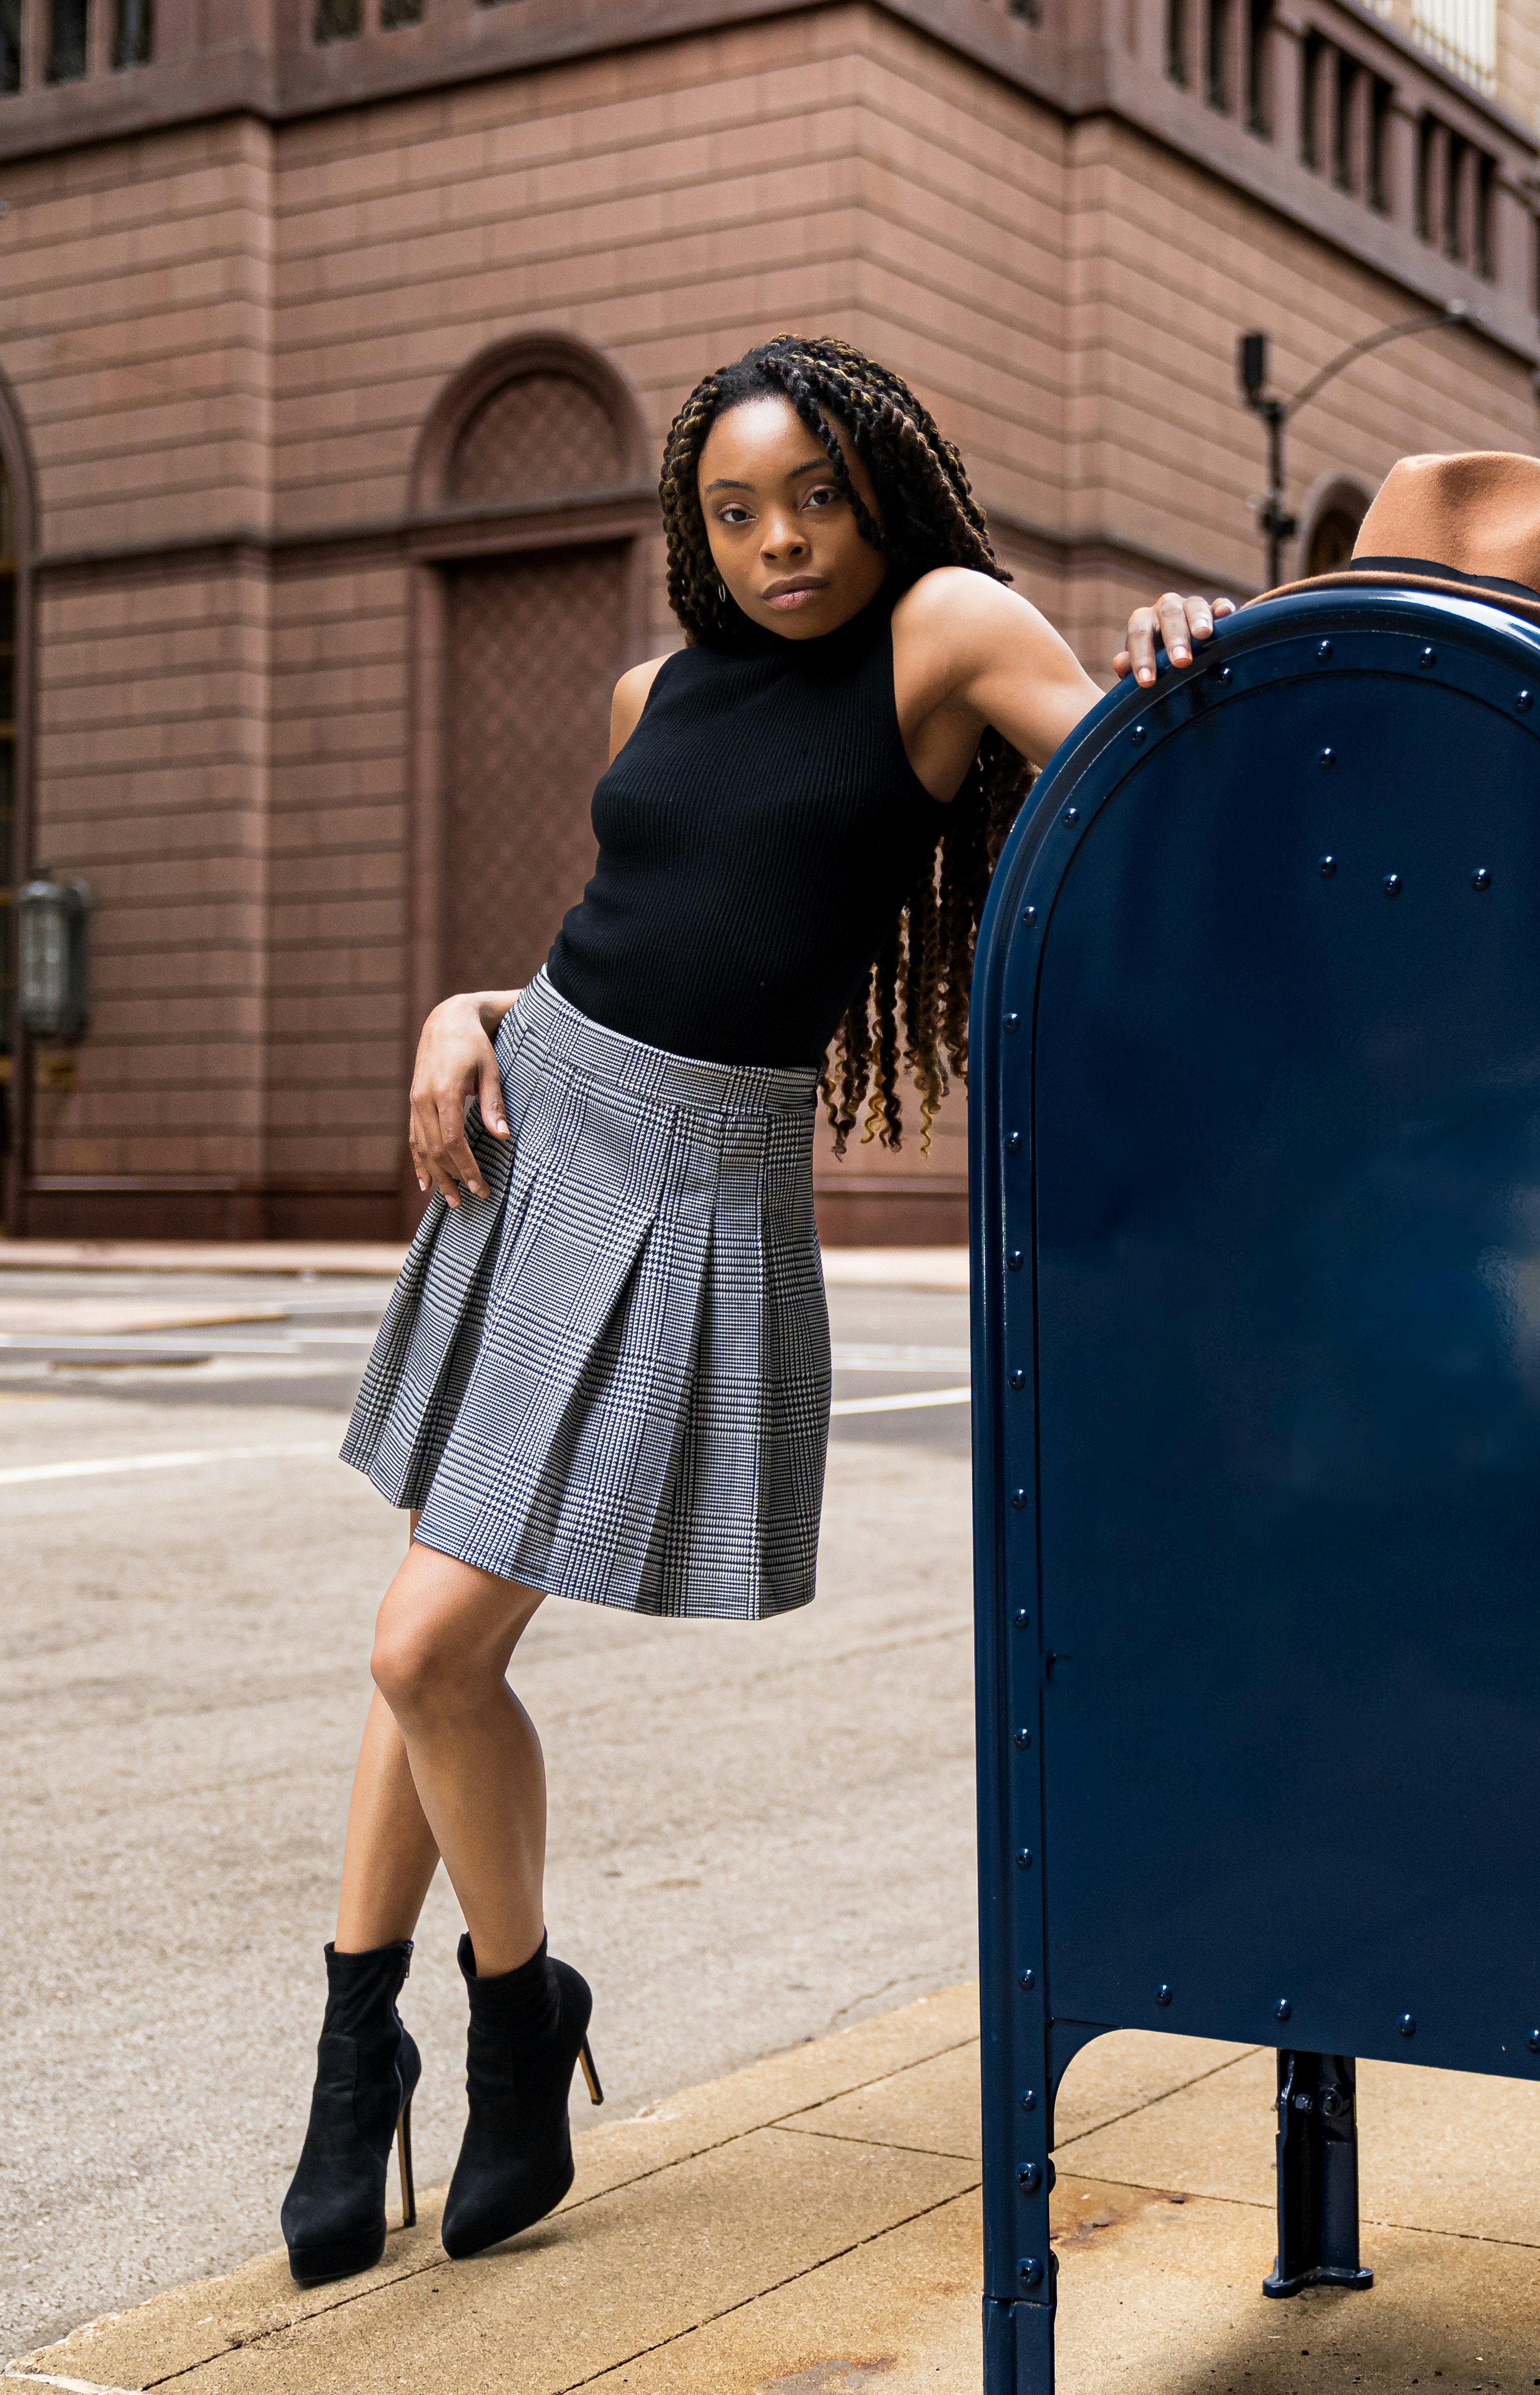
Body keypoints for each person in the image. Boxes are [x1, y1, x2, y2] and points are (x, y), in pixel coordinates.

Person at [280, 334, 1232, 2287]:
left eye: (814, 500)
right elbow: (631, 927)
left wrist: (1183, 643)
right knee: (421, 1633)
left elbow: (1147, 789)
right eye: (735, 510)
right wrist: (467, 1009)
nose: (781, 541)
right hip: (536, 1125)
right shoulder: (655, 684)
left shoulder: (947, 629)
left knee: (424, 1640)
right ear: (691, 527)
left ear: (878, 496)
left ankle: (516, 2010)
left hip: (698, 1181)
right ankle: (361, 2050)